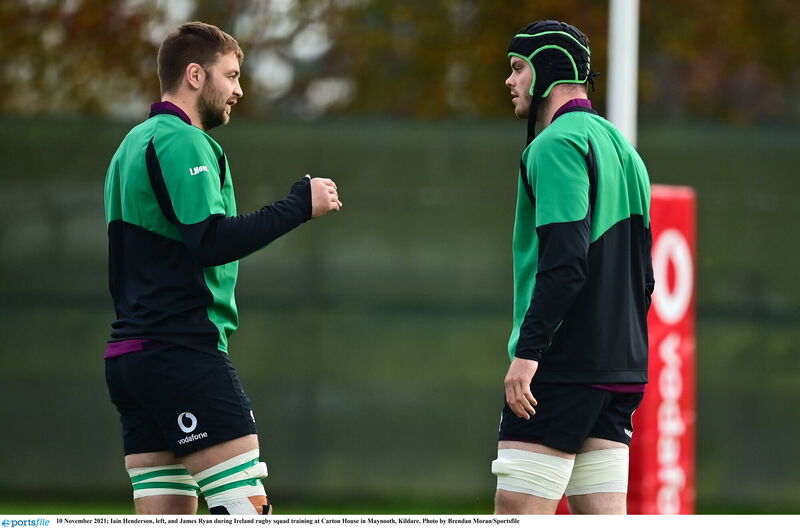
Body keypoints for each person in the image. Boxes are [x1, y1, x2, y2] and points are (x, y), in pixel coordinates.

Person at [103, 21, 341, 515]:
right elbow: (209, 240)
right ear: (195, 75)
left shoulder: (129, 145)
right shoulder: (182, 141)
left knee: (166, 516)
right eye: (230, 75)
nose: (238, 90)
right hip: (180, 351)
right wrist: (299, 206)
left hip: (132, 357)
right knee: (244, 509)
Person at [491, 20, 654, 515]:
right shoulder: (624, 148)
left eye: (518, 68)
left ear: (547, 72)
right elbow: (644, 278)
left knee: (517, 512)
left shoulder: (556, 144)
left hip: (564, 365)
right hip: (622, 366)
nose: (510, 81)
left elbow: (565, 262)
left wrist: (529, 351)